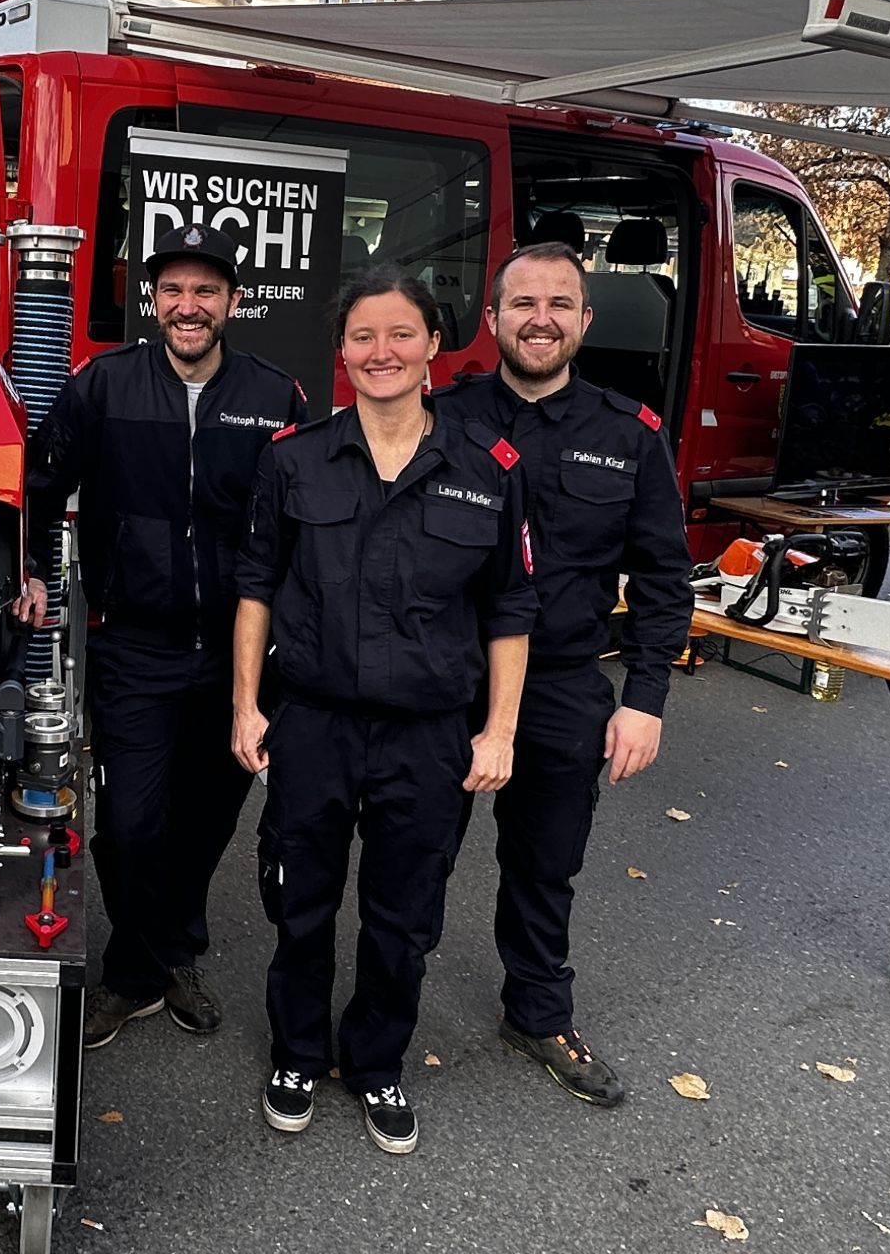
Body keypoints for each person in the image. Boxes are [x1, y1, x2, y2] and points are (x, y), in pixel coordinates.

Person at [233, 265, 536, 1155]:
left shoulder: (487, 469)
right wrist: (246, 707)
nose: (382, 352)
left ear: (435, 344)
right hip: (314, 723)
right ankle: (296, 1052)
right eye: (363, 336)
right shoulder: (293, 458)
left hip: (430, 736)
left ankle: (376, 1064)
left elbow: (511, 609)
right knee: (301, 904)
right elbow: (256, 588)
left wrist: (500, 730)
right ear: (341, 353)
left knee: (405, 915)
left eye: (401, 333)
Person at [18, 223, 307, 1049]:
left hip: (239, 654)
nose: (189, 306)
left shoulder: (276, 396)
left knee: (206, 820)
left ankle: (156, 963)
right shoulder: (102, 387)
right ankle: (144, 967)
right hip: (132, 645)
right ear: (153, 300)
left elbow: (307, 516)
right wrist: (34, 570)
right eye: (173, 290)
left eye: (206, 291)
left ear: (233, 303)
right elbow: (39, 490)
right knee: (132, 824)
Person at [434, 240, 692, 1107]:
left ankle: (538, 1015)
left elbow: (663, 578)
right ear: (495, 317)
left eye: (558, 305)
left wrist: (645, 701)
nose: (538, 320)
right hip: (443, 677)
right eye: (521, 304)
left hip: (561, 684)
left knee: (544, 864)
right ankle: (378, 1020)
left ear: (583, 320)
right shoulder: (442, 418)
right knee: (414, 856)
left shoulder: (631, 435)